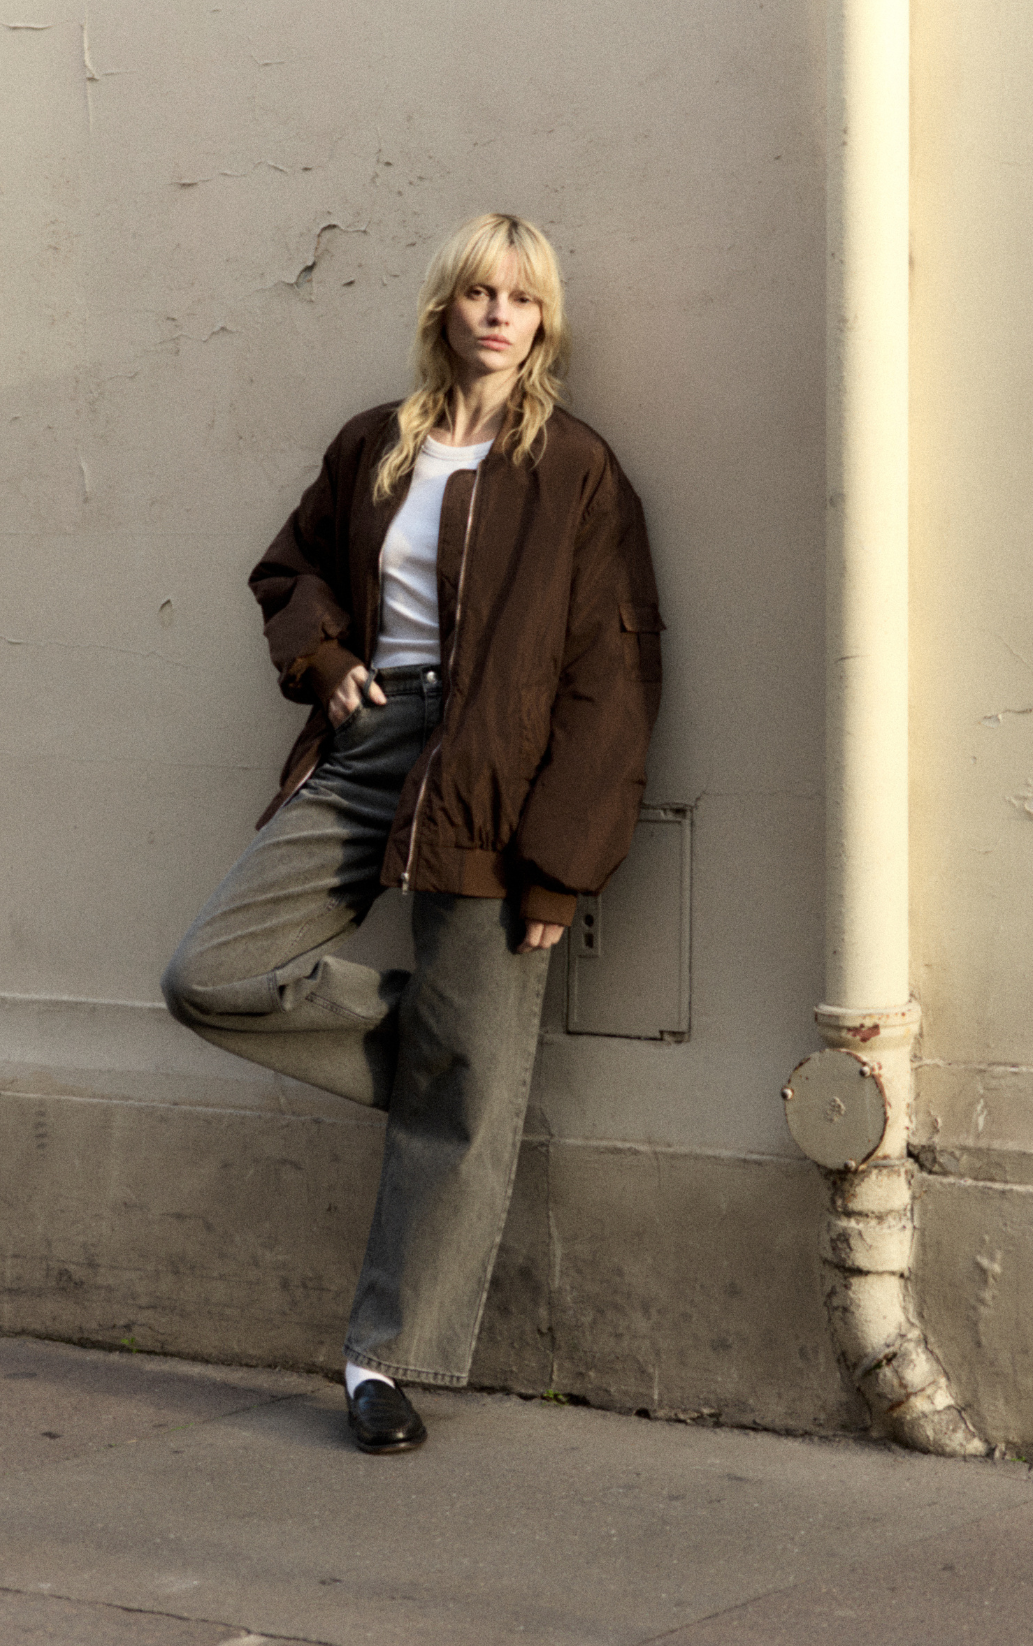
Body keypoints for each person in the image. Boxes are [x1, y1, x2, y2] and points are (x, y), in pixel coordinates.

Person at [162, 213, 663, 1453]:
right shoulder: (375, 446)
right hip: (374, 743)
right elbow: (290, 573)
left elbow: (613, 675)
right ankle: (456, 1054)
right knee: (209, 973)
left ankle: (379, 1363)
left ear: (544, 323)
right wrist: (326, 660)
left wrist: (562, 867)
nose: (500, 314)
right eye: (480, 292)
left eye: (523, 298)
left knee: (466, 1073)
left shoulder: (576, 470)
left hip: (498, 772)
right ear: (445, 307)